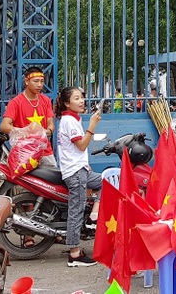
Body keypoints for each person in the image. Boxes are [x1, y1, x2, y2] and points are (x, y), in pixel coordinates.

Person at [55, 87, 103, 267]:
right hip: (75, 174)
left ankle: (94, 214)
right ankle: (74, 253)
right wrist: (92, 126)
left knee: (107, 181)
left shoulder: (71, 119)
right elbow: (82, 145)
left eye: (82, 97)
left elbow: (75, 150)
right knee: (76, 211)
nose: (82, 101)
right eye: (77, 98)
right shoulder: (69, 121)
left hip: (80, 169)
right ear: (67, 103)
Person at [0, 66, 57, 168]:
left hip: (45, 151)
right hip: (24, 152)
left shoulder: (46, 100)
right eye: (35, 81)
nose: (39, 85)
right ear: (26, 81)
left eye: (42, 81)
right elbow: (4, 126)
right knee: (23, 183)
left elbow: (51, 125)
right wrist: (24, 131)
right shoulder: (15, 102)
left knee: (52, 179)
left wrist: (47, 131)